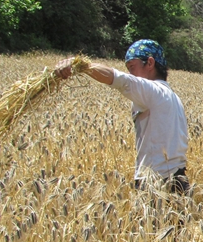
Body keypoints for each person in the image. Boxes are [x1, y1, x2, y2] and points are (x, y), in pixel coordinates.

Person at [55, 39, 190, 193]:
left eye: (132, 67)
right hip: (178, 180)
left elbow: (120, 80)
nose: (130, 73)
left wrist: (79, 65)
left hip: (156, 182)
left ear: (150, 63)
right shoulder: (172, 96)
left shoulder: (154, 91)